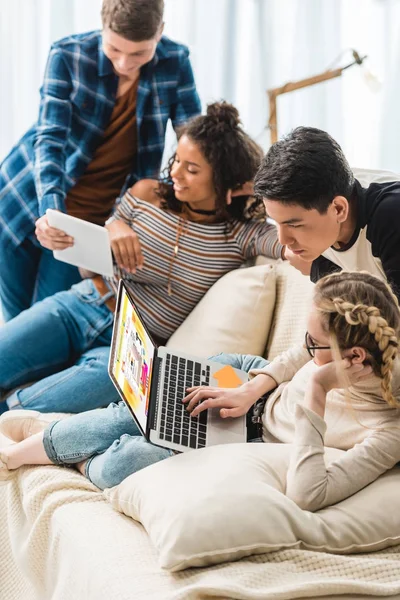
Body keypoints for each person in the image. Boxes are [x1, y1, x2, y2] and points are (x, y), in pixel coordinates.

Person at [1, 271, 399, 512]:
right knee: (130, 414)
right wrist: (251, 389)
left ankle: (75, 460)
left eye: (316, 346)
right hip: (248, 381)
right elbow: (300, 351)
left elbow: (309, 494)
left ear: (357, 358)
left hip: (252, 435)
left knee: (126, 460)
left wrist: (315, 387)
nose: (306, 351)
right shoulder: (355, 341)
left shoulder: (388, 432)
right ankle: (14, 457)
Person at [0, 102, 283, 415]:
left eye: (192, 169)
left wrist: (254, 189)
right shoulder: (147, 192)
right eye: (177, 160)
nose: (175, 173)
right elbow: (87, 264)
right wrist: (113, 226)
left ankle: (9, 416)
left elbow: (290, 239)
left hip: (129, 348)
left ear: (225, 181)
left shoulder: (242, 235)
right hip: (81, 304)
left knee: (28, 407)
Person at [0, 0, 201, 322]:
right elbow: (50, 139)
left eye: (139, 54)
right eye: (114, 49)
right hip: (22, 198)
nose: (124, 63)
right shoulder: (68, 55)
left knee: (44, 325)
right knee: (14, 327)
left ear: (160, 32)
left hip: (86, 223)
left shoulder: (175, 61)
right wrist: (50, 212)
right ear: (102, 27)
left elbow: (194, 141)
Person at [253, 126, 400, 299]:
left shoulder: (391, 218)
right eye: (277, 222)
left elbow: (382, 317)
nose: (284, 241)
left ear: (339, 209)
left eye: (294, 224)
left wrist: (319, 270)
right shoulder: (326, 194)